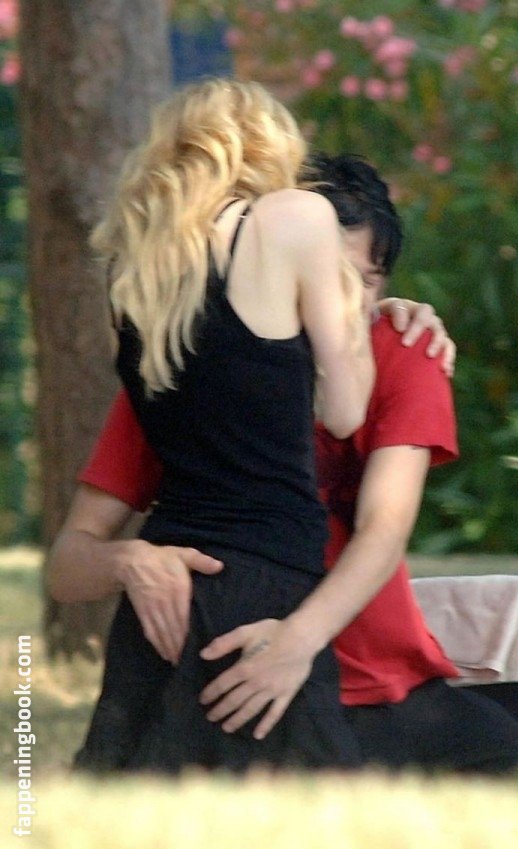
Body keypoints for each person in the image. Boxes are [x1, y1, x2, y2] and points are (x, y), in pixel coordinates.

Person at [50, 152, 518, 777]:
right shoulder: (181, 371)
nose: (334, 297)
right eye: (320, 272)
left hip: (373, 678)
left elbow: (384, 528)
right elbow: (67, 567)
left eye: (361, 281)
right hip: (229, 669)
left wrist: (297, 643)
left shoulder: (404, 350)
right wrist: (130, 560)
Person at [62, 78, 388, 775]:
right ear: (267, 146)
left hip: (164, 578)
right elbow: (343, 410)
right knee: (306, 807)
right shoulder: (293, 216)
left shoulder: (135, 270)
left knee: (136, 802)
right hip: (264, 574)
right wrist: (352, 307)